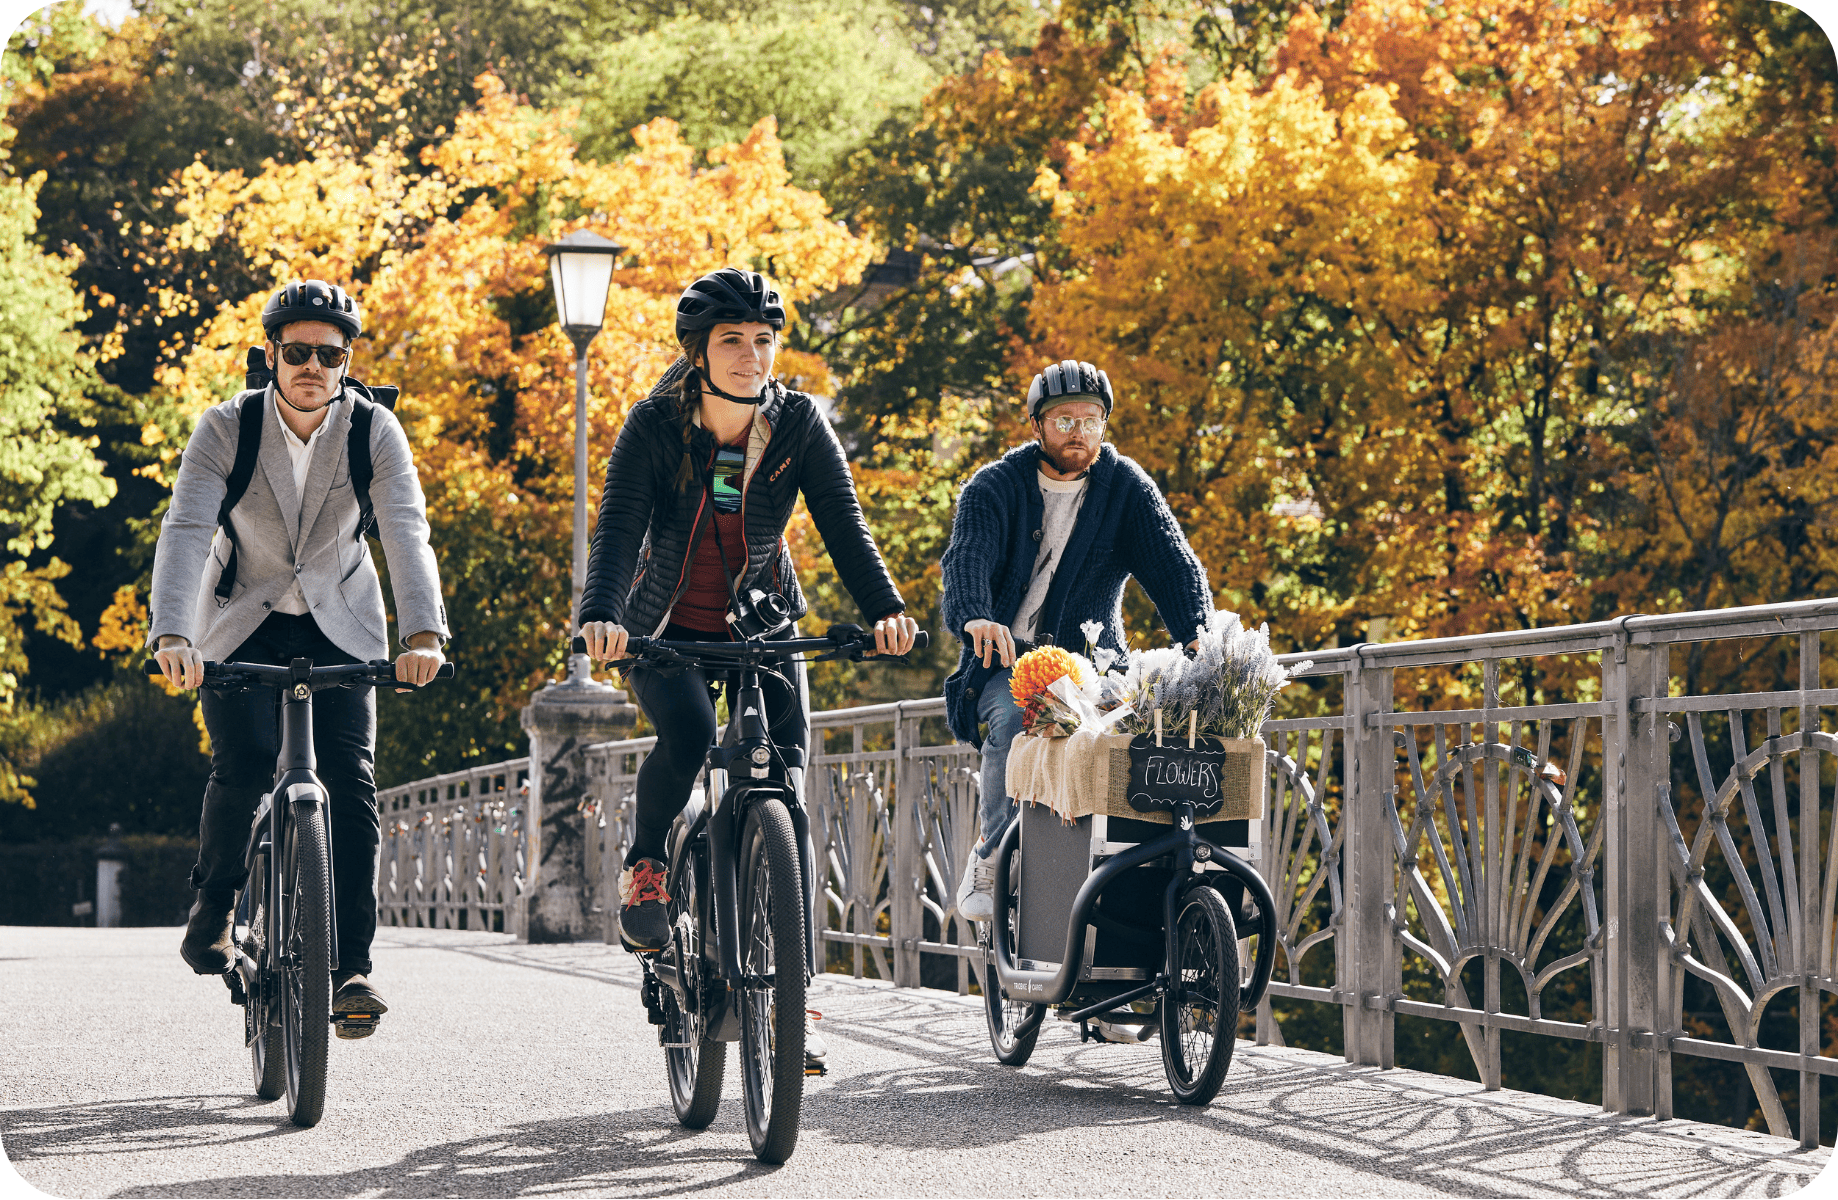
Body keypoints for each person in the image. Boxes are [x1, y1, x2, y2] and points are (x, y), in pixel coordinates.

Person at [578, 266, 918, 956]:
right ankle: (647, 868)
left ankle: (788, 967)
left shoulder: (798, 424)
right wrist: (603, 616)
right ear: (698, 352)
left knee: (786, 766)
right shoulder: (653, 425)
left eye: (763, 340)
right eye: (731, 340)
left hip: (761, 625)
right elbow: (617, 528)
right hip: (665, 631)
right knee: (690, 732)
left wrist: (886, 610)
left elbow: (844, 523)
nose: (751, 355)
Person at [148, 279, 448, 1036]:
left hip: (341, 623)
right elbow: (186, 529)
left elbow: (405, 529)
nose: (313, 366)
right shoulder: (227, 427)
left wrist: (423, 635)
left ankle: (352, 969)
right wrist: (173, 635)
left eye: (330, 355)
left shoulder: (374, 430)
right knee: (244, 765)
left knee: (352, 784)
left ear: (347, 362)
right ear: (272, 355)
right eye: (298, 351)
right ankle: (215, 908)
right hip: (241, 620)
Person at [940, 359, 1212, 921]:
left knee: (1137, 740)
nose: (1078, 433)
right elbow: (967, 557)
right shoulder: (993, 487)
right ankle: (991, 856)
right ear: (1036, 426)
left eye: (1091, 421)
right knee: (1015, 724)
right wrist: (976, 617)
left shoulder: (1126, 487)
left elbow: (1173, 566)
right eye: (1064, 421)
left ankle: (1126, 882)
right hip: (1008, 663)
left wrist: (1200, 639)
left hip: (1096, 666)